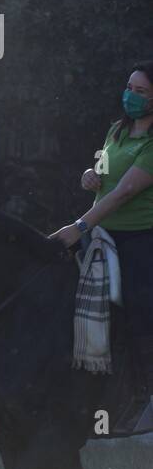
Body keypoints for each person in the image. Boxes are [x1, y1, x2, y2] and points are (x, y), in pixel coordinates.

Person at [49, 61, 153, 432]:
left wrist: (79, 226)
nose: (131, 96)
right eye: (130, 87)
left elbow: (126, 190)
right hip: (101, 233)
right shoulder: (116, 130)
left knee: (140, 311)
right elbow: (102, 173)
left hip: (139, 237)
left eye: (141, 92)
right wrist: (89, 176)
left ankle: (144, 394)